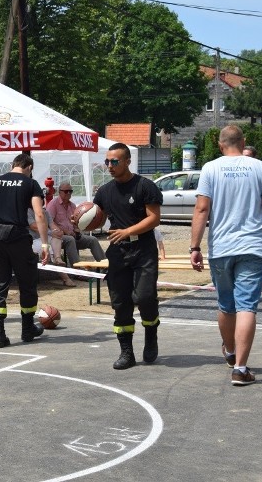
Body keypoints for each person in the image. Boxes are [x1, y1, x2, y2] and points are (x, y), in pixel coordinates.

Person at [190, 125, 262, 386]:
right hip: (253, 246)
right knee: (246, 306)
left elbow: (201, 209)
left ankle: (230, 352)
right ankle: (240, 369)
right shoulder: (259, 167)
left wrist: (195, 247)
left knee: (226, 304)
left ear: (220, 145)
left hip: (221, 247)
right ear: (243, 142)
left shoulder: (210, 168)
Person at [91, 142, 163, 370]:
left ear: (127, 161)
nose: (110, 166)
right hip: (118, 252)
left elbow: (154, 218)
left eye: (115, 161)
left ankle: (151, 333)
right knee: (120, 303)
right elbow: (98, 219)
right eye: (107, 162)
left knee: (144, 297)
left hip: (143, 249)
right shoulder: (104, 191)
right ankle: (127, 353)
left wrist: (128, 231)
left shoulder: (145, 186)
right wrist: (80, 221)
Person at [0, 153, 49, 348]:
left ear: (13, 165)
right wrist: (45, 244)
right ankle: (27, 329)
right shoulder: (30, 183)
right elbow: (39, 214)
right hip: (17, 236)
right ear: (29, 167)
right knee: (27, 282)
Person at [46, 182, 105, 267]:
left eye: (71, 191)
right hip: (57, 237)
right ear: (60, 192)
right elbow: (49, 222)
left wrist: (77, 231)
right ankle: (77, 269)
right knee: (70, 240)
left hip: (72, 235)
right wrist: (65, 231)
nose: (69, 193)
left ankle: (104, 265)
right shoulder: (53, 204)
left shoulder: (73, 206)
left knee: (93, 240)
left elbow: (76, 222)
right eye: (66, 191)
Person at [27, 206, 75, 286]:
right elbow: (34, 226)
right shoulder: (28, 211)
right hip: (34, 239)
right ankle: (65, 277)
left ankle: (58, 258)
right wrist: (51, 232)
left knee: (57, 238)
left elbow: (52, 225)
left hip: (46, 237)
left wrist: (58, 231)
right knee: (50, 247)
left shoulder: (45, 212)